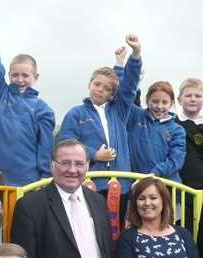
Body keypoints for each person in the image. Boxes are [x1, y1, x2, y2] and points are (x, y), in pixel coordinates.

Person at [0, 6, 55, 186]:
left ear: (35, 77)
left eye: (25, 75)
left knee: (24, 214)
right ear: (9, 75)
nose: (20, 79)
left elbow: (46, 145)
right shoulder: (0, 94)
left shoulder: (42, 108)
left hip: (28, 179)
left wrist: (45, 176)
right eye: (15, 75)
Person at [58, 35, 142, 202]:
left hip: (120, 184)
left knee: (117, 227)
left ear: (112, 94)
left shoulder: (119, 110)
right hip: (89, 183)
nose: (100, 90)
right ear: (89, 84)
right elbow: (66, 143)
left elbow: (129, 86)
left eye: (107, 88)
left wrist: (135, 55)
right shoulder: (76, 114)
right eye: (97, 84)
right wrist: (94, 154)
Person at [127, 81, 186, 184]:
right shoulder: (136, 115)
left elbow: (176, 160)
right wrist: (135, 81)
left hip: (167, 187)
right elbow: (125, 95)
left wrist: (155, 173)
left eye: (164, 102)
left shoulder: (177, 130)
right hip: (137, 184)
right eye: (155, 101)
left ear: (171, 103)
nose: (159, 106)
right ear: (147, 101)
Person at [175, 78, 203, 191]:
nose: (193, 99)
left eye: (197, 96)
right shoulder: (172, 124)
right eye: (188, 96)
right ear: (179, 100)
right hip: (176, 188)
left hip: (202, 190)